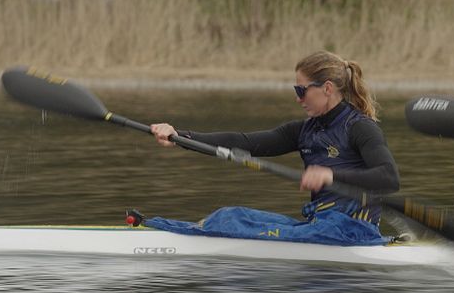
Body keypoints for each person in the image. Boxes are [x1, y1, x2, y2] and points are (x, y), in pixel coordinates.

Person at [150, 51, 400, 225]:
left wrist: (330, 175)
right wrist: (179, 136)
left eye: (302, 90)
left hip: (353, 231)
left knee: (230, 219)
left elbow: (388, 178)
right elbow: (243, 142)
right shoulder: (303, 131)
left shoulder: (361, 128)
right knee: (229, 216)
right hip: (323, 227)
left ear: (327, 88)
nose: (298, 98)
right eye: (296, 90)